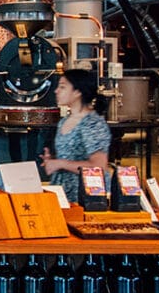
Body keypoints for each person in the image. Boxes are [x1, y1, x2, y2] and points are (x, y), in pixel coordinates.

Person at [39, 68, 112, 202]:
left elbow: (99, 167)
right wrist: (52, 160)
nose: (56, 91)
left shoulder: (93, 124)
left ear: (77, 92)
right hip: (64, 194)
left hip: (87, 196)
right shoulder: (64, 121)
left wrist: (60, 163)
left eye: (62, 87)